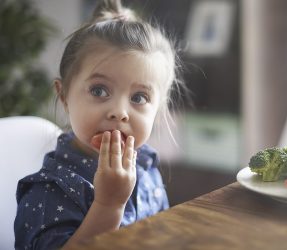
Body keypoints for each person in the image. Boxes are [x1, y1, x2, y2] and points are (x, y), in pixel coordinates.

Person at [14, 0, 185, 249]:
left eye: (139, 97)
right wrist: (109, 204)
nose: (119, 112)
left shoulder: (146, 165)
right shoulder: (49, 191)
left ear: (157, 111)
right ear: (64, 97)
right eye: (99, 90)